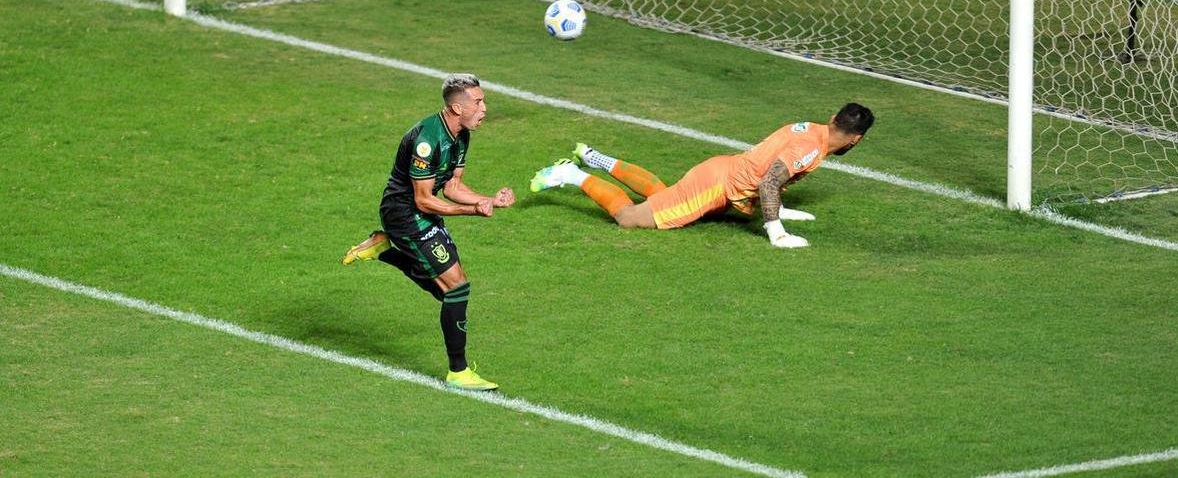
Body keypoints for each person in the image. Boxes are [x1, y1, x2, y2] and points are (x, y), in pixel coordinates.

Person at [342, 73, 514, 391]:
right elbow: (424, 199)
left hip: (422, 213)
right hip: (404, 214)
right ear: (456, 107)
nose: (485, 108)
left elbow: (452, 186)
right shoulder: (426, 140)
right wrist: (473, 210)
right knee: (456, 289)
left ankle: (385, 249)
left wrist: (488, 200)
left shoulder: (461, 135)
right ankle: (458, 372)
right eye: (478, 102)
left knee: (446, 293)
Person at [529, 102, 874, 248]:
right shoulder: (811, 149)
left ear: (833, 118)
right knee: (630, 218)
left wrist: (778, 207)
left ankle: (593, 156)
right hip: (716, 186)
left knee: (661, 195)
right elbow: (770, 180)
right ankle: (570, 174)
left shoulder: (810, 129)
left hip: (721, 170)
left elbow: (767, 162)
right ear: (856, 139)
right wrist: (776, 231)